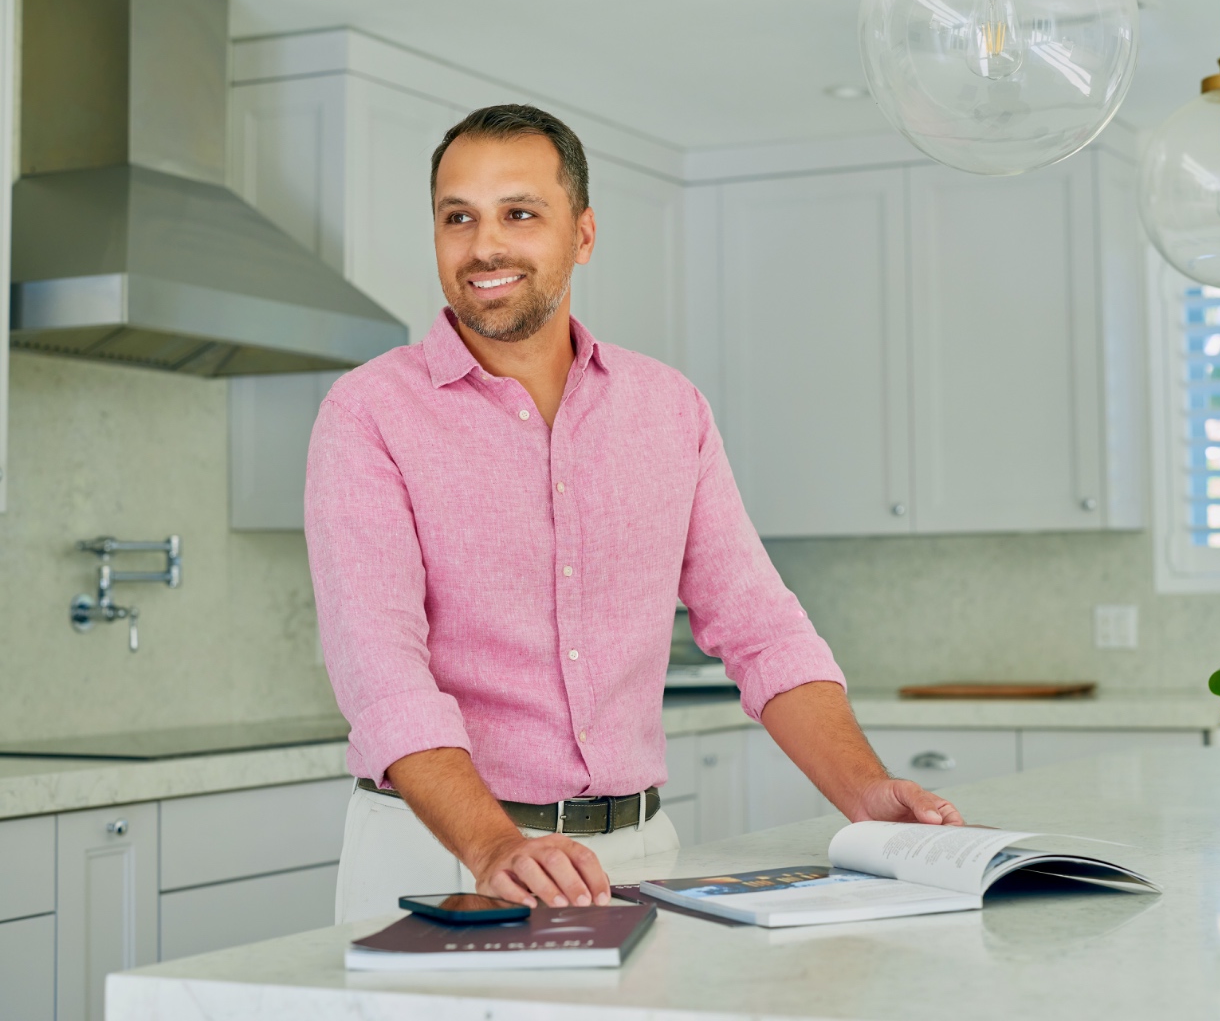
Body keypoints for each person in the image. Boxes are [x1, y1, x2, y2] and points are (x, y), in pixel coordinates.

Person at [306, 103, 965, 923]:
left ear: (581, 235)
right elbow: (381, 672)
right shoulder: (368, 413)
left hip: (639, 855)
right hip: (442, 853)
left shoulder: (667, 409)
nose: (484, 247)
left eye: (520, 213)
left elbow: (760, 628)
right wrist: (492, 845)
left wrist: (864, 790)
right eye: (457, 218)